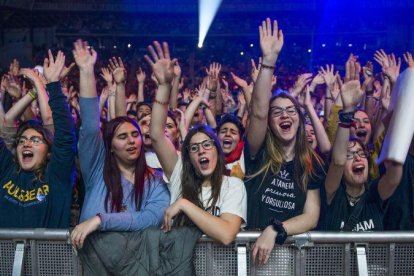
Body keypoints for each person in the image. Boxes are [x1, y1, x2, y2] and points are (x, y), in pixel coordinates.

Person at [70, 39, 170, 249]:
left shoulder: (155, 180)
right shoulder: (97, 171)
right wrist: (87, 71)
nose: (132, 140)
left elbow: (151, 219)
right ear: (111, 146)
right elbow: (89, 128)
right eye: (122, 137)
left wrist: (100, 220)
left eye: (135, 135)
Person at [146, 40, 247, 246]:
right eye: (194, 147)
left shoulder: (233, 186)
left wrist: (184, 204)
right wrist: (165, 86)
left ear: (218, 152)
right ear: (188, 158)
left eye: (207, 144)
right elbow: (156, 134)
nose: (201, 150)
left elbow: (226, 234)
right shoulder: (179, 175)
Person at [244, 18, 325, 265]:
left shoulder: (311, 162)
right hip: (252, 250)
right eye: (277, 112)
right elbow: (258, 110)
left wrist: (275, 229)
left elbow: (311, 216)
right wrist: (268, 62)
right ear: (269, 122)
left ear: (299, 120)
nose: (285, 115)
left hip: (288, 254)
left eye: (291, 110)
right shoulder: (258, 153)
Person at [0, 50, 76, 228]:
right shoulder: (6, 170)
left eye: (35, 140)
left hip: (46, 256)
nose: (26, 143)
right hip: (5, 256)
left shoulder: (57, 175)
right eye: (22, 141)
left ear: (49, 152)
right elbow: (7, 122)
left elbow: (65, 135)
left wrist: (53, 85)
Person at [324, 68, 404, 231]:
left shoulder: (376, 193)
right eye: (350, 155)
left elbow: (394, 176)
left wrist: (395, 112)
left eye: (361, 154)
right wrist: (346, 111)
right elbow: (338, 162)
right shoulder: (332, 193)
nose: (358, 158)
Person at [217, 114, 245, 179]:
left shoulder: (245, 155)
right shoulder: (210, 155)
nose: (227, 134)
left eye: (233, 132)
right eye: (223, 131)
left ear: (240, 139)